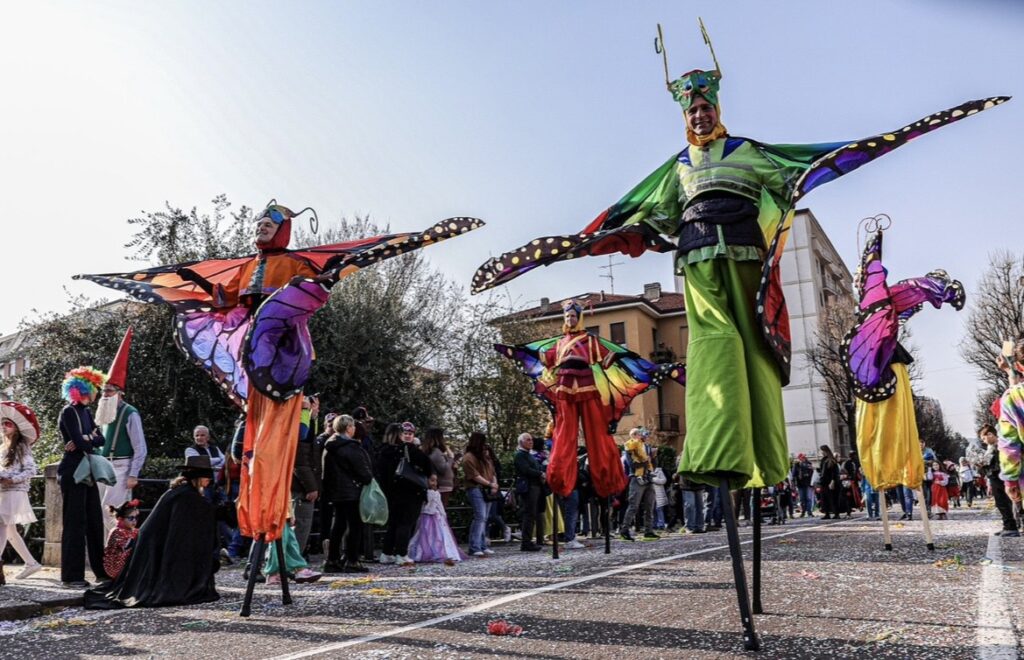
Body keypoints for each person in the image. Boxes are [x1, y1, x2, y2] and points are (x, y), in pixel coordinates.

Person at [84, 456, 220, 608]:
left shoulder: (180, 492)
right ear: (199, 478)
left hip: (150, 542)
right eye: (207, 476)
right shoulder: (186, 495)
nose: (209, 480)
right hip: (153, 544)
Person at [58, 366, 110, 589]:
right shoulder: (69, 411)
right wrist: (88, 438)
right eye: (94, 389)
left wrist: (86, 438)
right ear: (82, 390)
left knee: (94, 521)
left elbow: (100, 440)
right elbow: (80, 442)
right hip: (72, 471)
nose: (96, 393)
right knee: (75, 523)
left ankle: (101, 572)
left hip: (86, 469)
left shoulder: (86, 413)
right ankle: (71, 576)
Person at [94, 328, 148, 536]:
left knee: (115, 511)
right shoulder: (104, 414)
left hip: (121, 467)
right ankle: (112, 552)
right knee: (101, 511)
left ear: (119, 393)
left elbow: (140, 447)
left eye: (109, 391)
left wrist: (133, 474)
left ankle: (122, 551)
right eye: (104, 391)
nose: (105, 395)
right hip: (103, 467)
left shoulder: (130, 413)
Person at [322, 414, 373, 573]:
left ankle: (332, 559)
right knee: (355, 526)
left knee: (338, 525)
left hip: (336, 492)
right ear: (349, 428)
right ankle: (352, 559)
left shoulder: (329, 446)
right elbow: (364, 473)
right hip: (352, 491)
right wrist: (367, 478)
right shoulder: (351, 447)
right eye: (352, 426)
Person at [376, 422, 431, 565]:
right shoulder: (409, 449)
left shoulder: (383, 451)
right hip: (410, 491)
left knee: (394, 523)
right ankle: (401, 553)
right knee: (406, 523)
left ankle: (386, 553)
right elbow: (428, 466)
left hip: (391, 492)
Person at [0, 401, 42, 580]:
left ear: (16, 428)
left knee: (2, 525)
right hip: (5, 490)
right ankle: (32, 563)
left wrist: (11, 478)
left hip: (15, 491)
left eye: (7, 424)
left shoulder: (21, 446)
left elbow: (32, 470)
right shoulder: (3, 447)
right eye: (2, 423)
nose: (3, 427)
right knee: (10, 531)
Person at [409, 474, 468, 564]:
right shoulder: (424, 493)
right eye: (432, 480)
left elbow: (439, 505)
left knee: (439, 535)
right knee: (423, 534)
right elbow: (422, 506)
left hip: (436, 516)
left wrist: (443, 514)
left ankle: (441, 551)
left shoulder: (437, 493)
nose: (434, 483)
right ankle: (422, 552)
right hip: (425, 516)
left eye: (436, 481)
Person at [291, 395, 321, 555]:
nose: (316, 409)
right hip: (300, 487)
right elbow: (300, 461)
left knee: (303, 526)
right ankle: (293, 562)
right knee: (300, 525)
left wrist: (312, 416)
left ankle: (295, 560)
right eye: (313, 405)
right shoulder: (297, 430)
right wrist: (311, 487)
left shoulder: (307, 430)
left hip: (304, 485)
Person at [462, 431, 497, 557]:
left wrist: (494, 483)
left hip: (486, 488)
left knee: (484, 518)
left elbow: (492, 471)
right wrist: (490, 484)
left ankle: (481, 545)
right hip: (475, 488)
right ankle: (474, 546)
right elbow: (475, 476)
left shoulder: (484, 456)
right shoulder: (468, 457)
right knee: (480, 517)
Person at [513, 433, 544, 552]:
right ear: (521, 442)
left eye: (531, 440)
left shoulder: (528, 455)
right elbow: (526, 469)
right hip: (529, 487)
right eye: (528, 440)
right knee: (529, 515)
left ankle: (529, 540)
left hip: (535, 486)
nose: (531, 442)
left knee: (533, 514)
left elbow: (536, 467)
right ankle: (526, 542)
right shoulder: (520, 455)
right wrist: (540, 474)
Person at [102, 500, 140, 580]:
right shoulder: (117, 531)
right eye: (131, 518)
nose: (134, 521)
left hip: (124, 565)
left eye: (136, 518)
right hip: (115, 568)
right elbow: (126, 547)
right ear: (120, 519)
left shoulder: (132, 530)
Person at [422, 428, 455, 509]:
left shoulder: (431, 451)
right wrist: (451, 458)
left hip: (440, 485)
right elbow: (443, 469)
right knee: (440, 513)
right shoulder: (436, 452)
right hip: (442, 486)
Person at [817, 446, 841, 520]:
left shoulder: (831, 460)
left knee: (832, 498)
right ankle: (827, 513)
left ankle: (836, 513)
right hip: (824, 482)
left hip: (830, 482)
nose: (821, 453)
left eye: (822, 451)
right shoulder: (823, 460)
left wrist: (833, 481)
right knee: (824, 498)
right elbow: (823, 471)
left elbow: (834, 472)